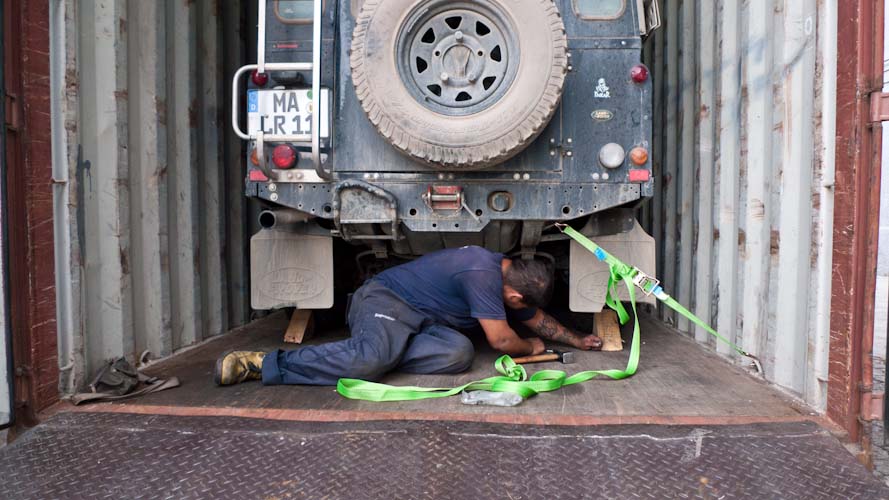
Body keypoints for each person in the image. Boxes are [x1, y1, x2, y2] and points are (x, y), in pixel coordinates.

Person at [215, 245, 603, 386]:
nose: (519, 310)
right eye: (517, 305)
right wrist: (531, 347)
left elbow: (537, 319)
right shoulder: (479, 271)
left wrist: (576, 339)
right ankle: (264, 365)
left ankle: (377, 353)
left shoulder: (506, 274)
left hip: (426, 323)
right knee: (370, 359)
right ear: (513, 292)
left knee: (458, 354)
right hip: (386, 302)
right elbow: (503, 341)